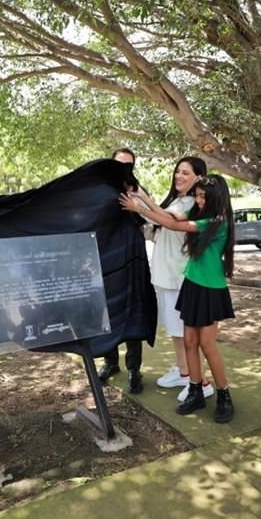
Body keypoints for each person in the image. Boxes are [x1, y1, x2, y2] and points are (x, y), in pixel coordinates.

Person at [121, 174, 236, 423]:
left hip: (211, 288)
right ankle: (195, 390)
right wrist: (142, 198)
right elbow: (167, 217)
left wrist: (137, 207)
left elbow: (174, 226)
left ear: (217, 198)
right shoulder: (198, 214)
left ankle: (224, 394)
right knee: (189, 343)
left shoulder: (217, 221)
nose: (199, 200)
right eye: (198, 196)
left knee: (207, 344)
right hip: (192, 284)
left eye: (204, 196)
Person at [139, 157, 215, 402]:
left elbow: (165, 220)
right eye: (177, 172)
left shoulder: (193, 202)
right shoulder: (176, 200)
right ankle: (184, 372)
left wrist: (140, 202)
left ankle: (201, 381)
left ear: (198, 177)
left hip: (178, 277)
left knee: (187, 333)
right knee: (175, 330)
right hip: (164, 276)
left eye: (186, 172)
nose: (179, 176)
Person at [98, 147, 146, 393]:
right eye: (120, 164)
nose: (124, 168)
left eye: (129, 164)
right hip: (106, 260)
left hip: (132, 259)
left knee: (133, 314)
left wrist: (135, 202)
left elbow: (147, 220)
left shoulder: (137, 191)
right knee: (107, 313)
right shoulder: (99, 191)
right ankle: (110, 363)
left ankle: (134, 370)